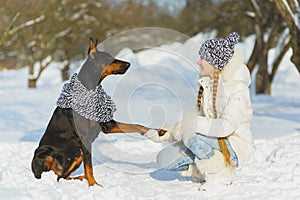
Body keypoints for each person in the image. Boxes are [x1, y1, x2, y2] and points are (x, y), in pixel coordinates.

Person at [145, 32, 253, 183]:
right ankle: (204, 168)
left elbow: (226, 127)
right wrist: (171, 133)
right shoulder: (207, 84)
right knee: (165, 159)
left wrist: (191, 125)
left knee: (191, 134)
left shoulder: (238, 89)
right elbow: (198, 120)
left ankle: (220, 173)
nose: (198, 62)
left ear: (215, 62)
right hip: (209, 141)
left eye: (203, 58)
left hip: (234, 146)